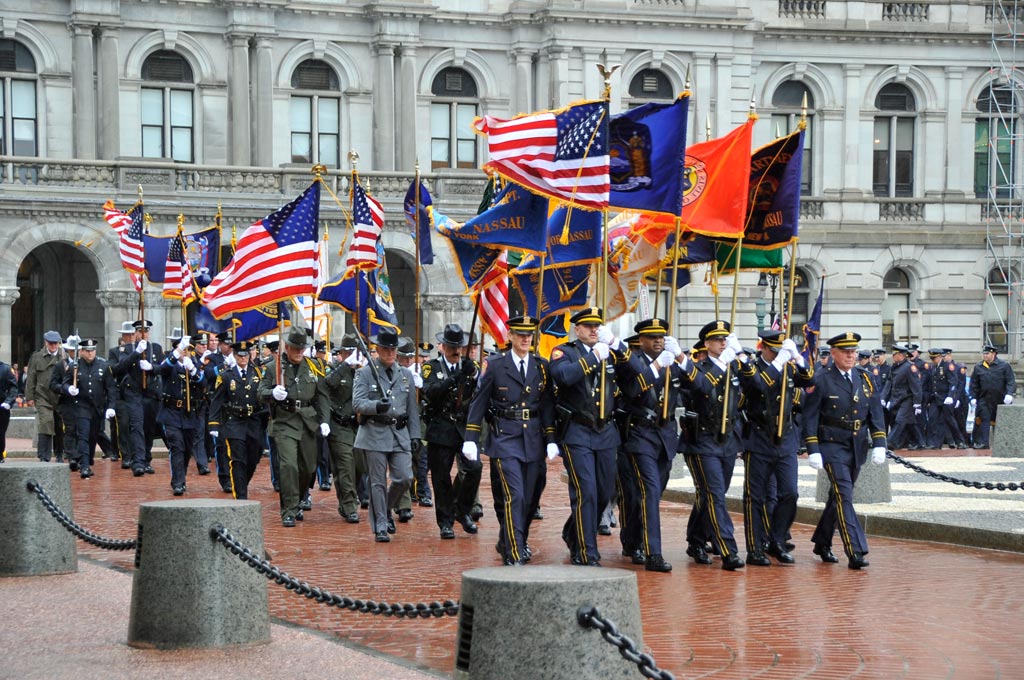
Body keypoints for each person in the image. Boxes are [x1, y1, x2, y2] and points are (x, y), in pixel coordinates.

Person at [464, 315, 557, 565]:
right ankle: (514, 552)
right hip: (505, 437)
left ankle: (511, 539)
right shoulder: (494, 364)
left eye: (529, 334)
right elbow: (479, 401)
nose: (526, 338)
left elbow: (547, 404)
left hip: (534, 439)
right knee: (514, 494)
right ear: (510, 336)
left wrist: (550, 438)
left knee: (531, 497)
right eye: (520, 334)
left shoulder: (541, 365)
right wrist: (471, 437)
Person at [802, 331, 887, 569]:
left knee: (837, 498)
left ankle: (822, 542)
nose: (851, 355)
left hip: (856, 445)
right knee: (844, 495)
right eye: (846, 351)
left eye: (854, 351)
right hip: (831, 444)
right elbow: (810, 416)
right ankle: (855, 549)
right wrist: (813, 447)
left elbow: (875, 413)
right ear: (834, 353)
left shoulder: (865, 378)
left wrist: (880, 443)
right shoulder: (820, 379)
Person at [550, 308, 628, 566]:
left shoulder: (609, 352)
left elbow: (636, 374)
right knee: (586, 492)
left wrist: (616, 344)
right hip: (578, 432)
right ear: (577, 329)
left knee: (605, 492)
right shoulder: (565, 352)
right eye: (588, 326)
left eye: (597, 325)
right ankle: (586, 551)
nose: (594, 329)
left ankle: (573, 532)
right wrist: (594, 357)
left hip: (606, 433)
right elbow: (564, 376)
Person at [676, 320, 751, 571]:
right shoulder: (697, 368)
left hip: (727, 440)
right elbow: (702, 385)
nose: (723, 343)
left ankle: (696, 540)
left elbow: (756, 384)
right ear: (706, 344)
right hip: (702, 441)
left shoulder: (733, 366)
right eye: (718, 340)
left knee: (710, 495)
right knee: (715, 494)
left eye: (725, 339)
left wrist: (741, 356)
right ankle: (728, 549)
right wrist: (722, 363)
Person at [612, 318, 683, 573]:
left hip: (665, 437)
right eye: (652, 337)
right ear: (640, 340)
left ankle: (632, 540)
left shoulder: (672, 362)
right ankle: (653, 552)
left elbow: (698, 386)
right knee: (649, 492)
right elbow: (630, 391)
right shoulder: (632, 363)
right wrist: (655, 368)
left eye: (661, 336)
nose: (657, 340)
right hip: (639, 435)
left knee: (649, 494)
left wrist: (682, 358)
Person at [739, 330, 814, 566]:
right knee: (756, 497)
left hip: (786, 440)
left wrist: (800, 360)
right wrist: (779, 363)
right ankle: (754, 547)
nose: (779, 354)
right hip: (760, 438)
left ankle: (777, 540)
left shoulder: (789, 368)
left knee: (790, 493)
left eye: (782, 351)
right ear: (764, 348)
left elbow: (810, 381)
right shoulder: (751, 368)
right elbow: (759, 386)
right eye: (776, 351)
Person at [352, 328, 421, 542]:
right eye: (386, 349)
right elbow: (357, 403)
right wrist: (376, 406)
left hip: (399, 433)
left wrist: (415, 435)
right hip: (374, 432)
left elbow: (412, 409)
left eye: (393, 349)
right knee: (377, 483)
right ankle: (380, 525)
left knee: (404, 478)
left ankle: (387, 508)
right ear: (378, 349)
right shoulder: (365, 373)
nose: (390, 353)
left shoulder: (406, 374)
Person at [259, 327, 329, 526]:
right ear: (287, 347)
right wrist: (272, 393)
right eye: (295, 348)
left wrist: (324, 420)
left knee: (308, 467)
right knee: (289, 465)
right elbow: (260, 391)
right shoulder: (275, 368)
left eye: (302, 348)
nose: (299, 352)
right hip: (284, 421)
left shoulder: (314, 366)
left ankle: (298, 499)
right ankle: (288, 510)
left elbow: (322, 396)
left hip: (308, 421)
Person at [421, 323, 481, 539]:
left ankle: (462, 510)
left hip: (463, 427)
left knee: (474, 468)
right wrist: (453, 380)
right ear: (443, 347)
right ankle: (445, 521)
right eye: (452, 347)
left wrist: (473, 375)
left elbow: (481, 389)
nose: (456, 351)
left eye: (459, 347)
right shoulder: (432, 367)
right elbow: (430, 393)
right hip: (441, 426)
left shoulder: (468, 366)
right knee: (441, 477)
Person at [207, 340, 264, 499]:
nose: (243, 358)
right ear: (234, 355)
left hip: (253, 420)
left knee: (253, 457)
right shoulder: (226, 376)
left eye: (246, 355)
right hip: (234, 421)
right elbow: (217, 401)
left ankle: (241, 483)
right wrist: (214, 424)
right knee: (238, 460)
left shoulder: (258, 374)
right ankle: (240, 497)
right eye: (240, 355)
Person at [316, 334, 362, 523]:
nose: (351, 355)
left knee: (359, 467)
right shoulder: (333, 367)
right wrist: (345, 366)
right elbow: (327, 384)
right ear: (341, 353)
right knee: (345, 466)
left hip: (359, 426)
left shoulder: (365, 370)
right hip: (339, 424)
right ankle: (350, 506)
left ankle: (346, 501)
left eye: (354, 352)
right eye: (348, 352)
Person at [157, 330, 205, 496]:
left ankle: (181, 475)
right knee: (176, 446)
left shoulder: (193, 364)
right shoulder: (169, 364)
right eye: (183, 349)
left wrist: (192, 370)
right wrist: (176, 354)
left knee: (186, 449)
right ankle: (178, 482)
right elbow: (161, 369)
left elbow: (203, 383)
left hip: (189, 413)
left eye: (187, 349)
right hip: (171, 412)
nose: (186, 352)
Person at [60, 338, 116, 479]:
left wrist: (111, 407)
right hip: (81, 406)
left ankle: (87, 460)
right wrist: (69, 389)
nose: (90, 354)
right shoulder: (75, 366)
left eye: (93, 351)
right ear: (82, 352)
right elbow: (64, 384)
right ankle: (84, 466)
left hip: (97, 408)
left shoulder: (103, 366)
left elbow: (110, 389)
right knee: (83, 436)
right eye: (87, 351)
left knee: (93, 436)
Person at [108, 320, 155, 476]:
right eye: (140, 331)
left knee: (148, 429)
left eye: (146, 331)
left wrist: (152, 367)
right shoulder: (126, 349)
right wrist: (135, 353)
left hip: (150, 394)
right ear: (135, 333)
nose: (143, 334)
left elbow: (163, 368)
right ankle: (138, 462)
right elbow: (118, 368)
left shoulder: (155, 348)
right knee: (136, 426)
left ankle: (146, 459)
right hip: (133, 393)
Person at [25, 330, 65, 461]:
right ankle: (44, 455)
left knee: (60, 425)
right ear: (46, 343)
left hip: (60, 396)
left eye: (56, 343)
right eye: (51, 343)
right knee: (46, 422)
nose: (53, 346)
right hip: (42, 395)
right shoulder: (37, 357)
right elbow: (31, 377)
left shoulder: (64, 357)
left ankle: (60, 454)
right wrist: (29, 397)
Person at [969, 343, 1016, 449]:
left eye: (987, 353)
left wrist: (1009, 394)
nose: (985, 356)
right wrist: (973, 397)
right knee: (983, 420)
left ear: (994, 354)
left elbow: (1010, 381)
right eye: (984, 353)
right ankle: (983, 443)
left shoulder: (1004, 366)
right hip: (984, 398)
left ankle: (1004, 444)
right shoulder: (979, 367)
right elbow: (974, 384)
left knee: (1001, 422)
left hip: (1000, 399)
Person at [881, 343, 923, 450]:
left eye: (895, 354)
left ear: (901, 355)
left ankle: (889, 442)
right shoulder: (895, 367)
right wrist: (883, 398)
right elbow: (889, 383)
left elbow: (916, 386)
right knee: (909, 422)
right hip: (897, 399)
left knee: (900, 420)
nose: (893, 357)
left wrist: (917, 403)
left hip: (908, 399)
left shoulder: (909, 367)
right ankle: (919, 442)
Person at [0, 346, 19, 461]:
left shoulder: (5, 369)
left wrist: (8, 401)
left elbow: (13, 387)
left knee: (0, 432)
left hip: (1, 406)